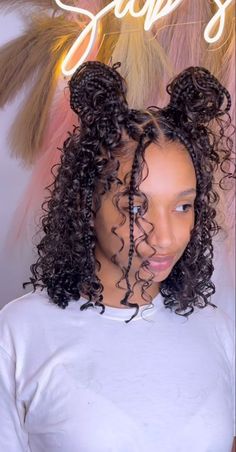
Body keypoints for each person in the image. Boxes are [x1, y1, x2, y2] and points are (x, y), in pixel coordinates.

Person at [0, 61, 235, 452]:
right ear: (86, 203)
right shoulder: (17, 333)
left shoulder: (218, 331)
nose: (166, 237)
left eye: (183, 207)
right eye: (136, 208)